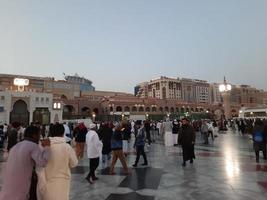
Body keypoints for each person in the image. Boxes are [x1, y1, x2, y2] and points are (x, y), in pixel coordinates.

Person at [0, 125, 50, 200]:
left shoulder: (15, 146)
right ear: (34, 135)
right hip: (22, 186)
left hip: (9, 185)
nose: (40, 137)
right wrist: (47, 147)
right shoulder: (33, 146)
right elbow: (42, 162)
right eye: (39, 135)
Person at [37, 123, 78, 200]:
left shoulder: (44, 146)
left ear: (51, 133)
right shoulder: (67, 147)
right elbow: (74, 163)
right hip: (63, 183)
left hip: (47, 184)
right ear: (63, 133)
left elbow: (39, 168)